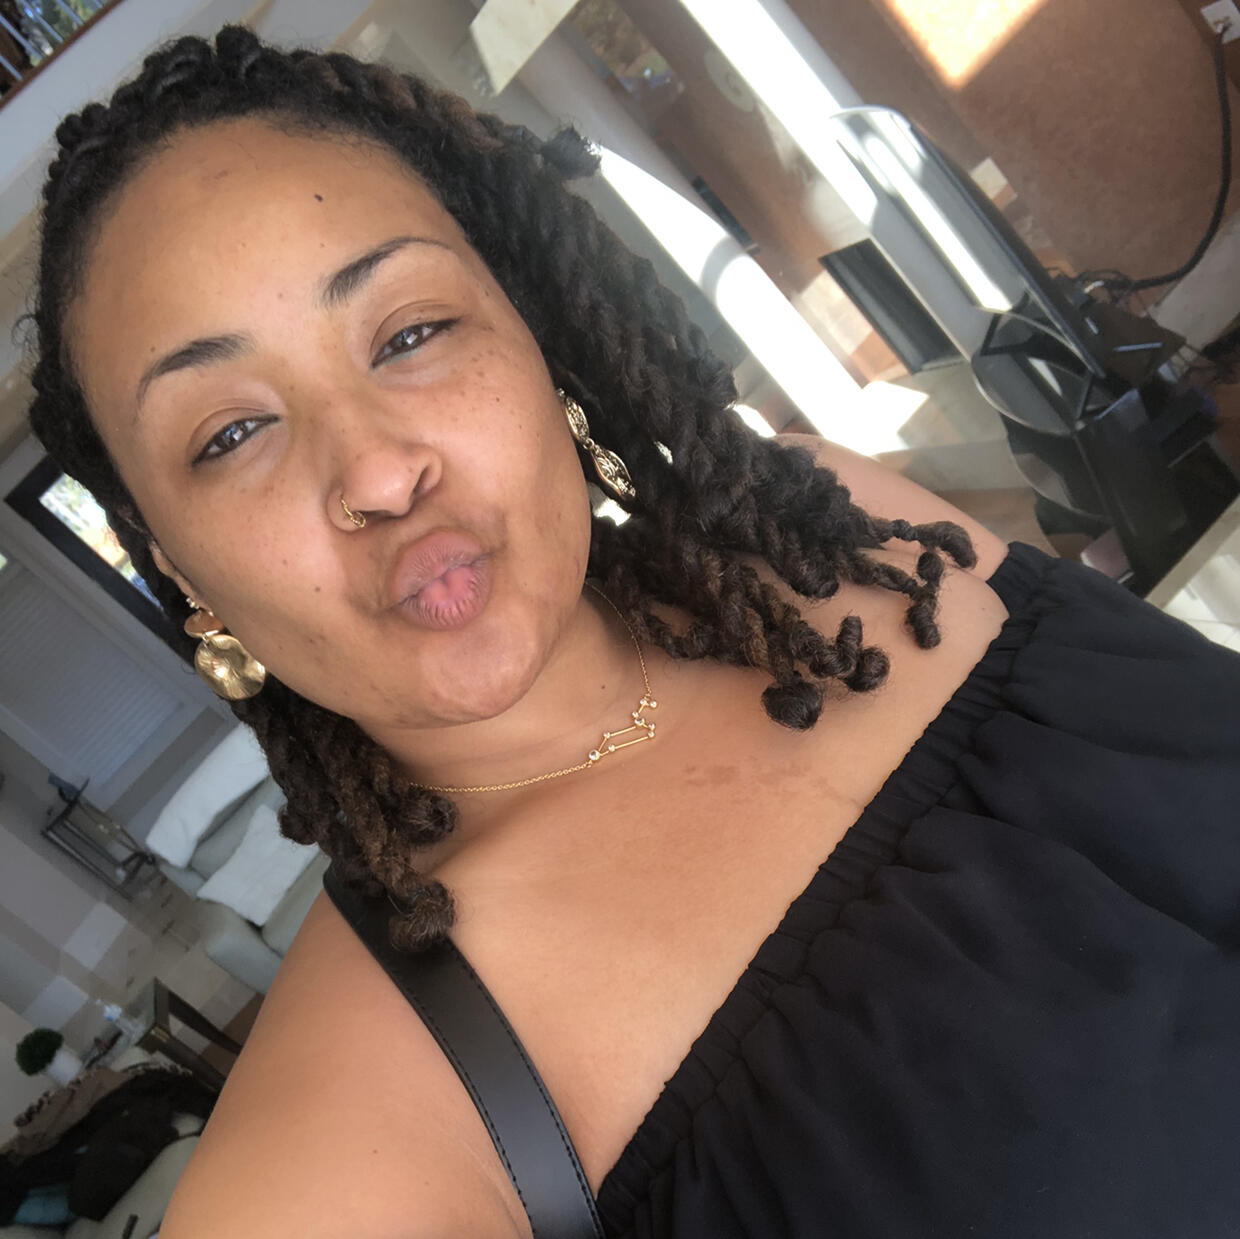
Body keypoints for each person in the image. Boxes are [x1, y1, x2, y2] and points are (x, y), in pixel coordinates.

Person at [22, 23, 1240, 1239]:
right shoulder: (337, 1157)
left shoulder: (843, 542)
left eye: (410, 333)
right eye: (231, 434)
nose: (380, 474)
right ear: (177, 565)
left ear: (536, 336)